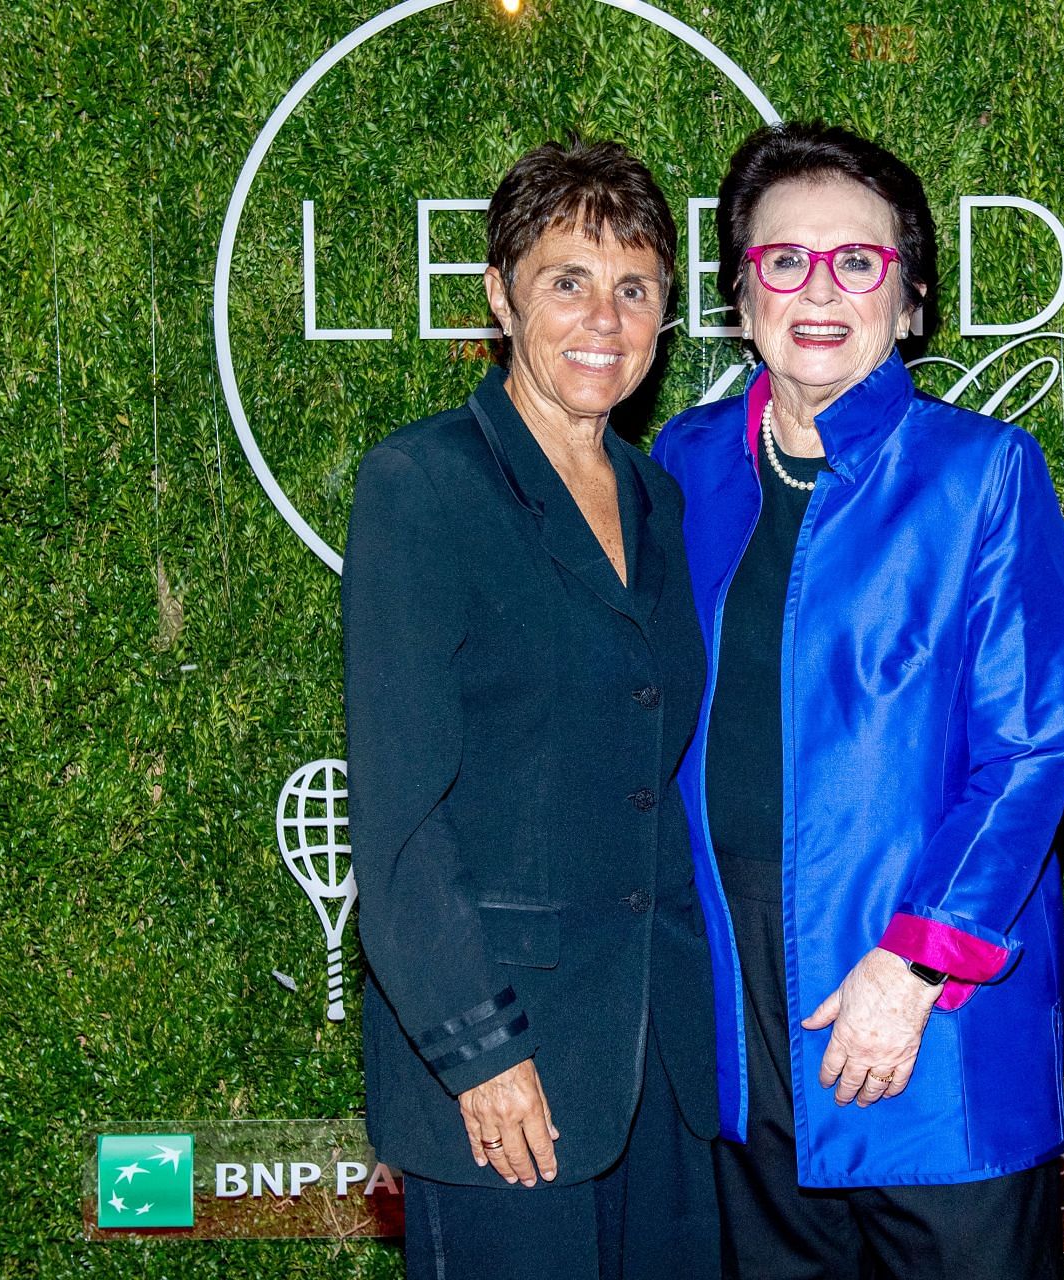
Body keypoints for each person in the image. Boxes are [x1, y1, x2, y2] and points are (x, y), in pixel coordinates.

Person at [652, 122, 1064, 1280]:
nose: (820, 289)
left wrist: (916, 965)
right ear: (740, 298)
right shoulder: (680, 468)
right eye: (783, 260)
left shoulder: (984, 471)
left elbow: (1034, 748)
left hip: (935, 1016)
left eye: (860, 262)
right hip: (742, 1017)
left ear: (910, 303)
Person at [343, 139, 720, 1280]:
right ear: (502, 295)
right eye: (568, 279)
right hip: (507, 1071)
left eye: (635, 286)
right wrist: (480, 1051)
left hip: (664, 1069)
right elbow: (401, 821)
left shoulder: (662, 494)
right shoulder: (424, 483)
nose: (604, 316)